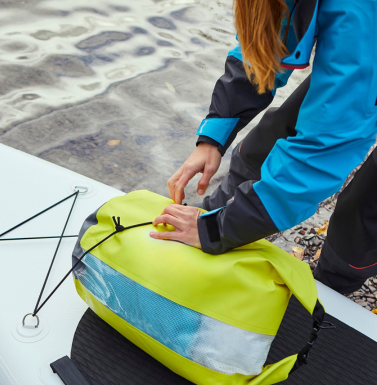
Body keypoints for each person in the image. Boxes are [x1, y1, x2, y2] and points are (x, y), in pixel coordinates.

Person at [149, 0, 377, 295]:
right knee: (271, 136)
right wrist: (213, 137)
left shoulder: (357, 16)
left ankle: (333, 287)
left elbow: (323, 150)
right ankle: (216, 211)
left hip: (366, 37)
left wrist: (219, 231)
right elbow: (264, 40)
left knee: (365, 205)